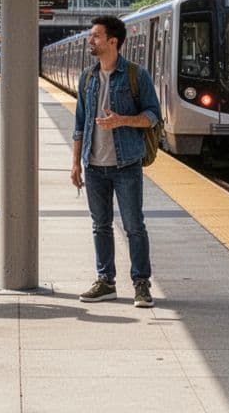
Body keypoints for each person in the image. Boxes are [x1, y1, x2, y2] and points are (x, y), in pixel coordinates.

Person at [70, 15, 162, 308]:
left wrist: (123, 121)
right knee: (101, 225)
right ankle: (106, 281)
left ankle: (141, 283)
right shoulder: (87, 78)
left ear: (113, 41)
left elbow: (153, 115)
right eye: (91, 36)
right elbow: (80, 123)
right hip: (94, 165)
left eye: (95, 36)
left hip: (126, 166)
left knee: (134, 226)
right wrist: (75, 163)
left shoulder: (137, 75)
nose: (90, 41)